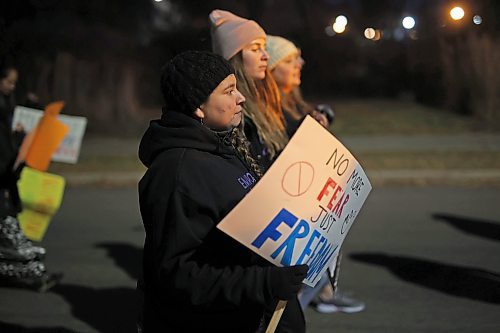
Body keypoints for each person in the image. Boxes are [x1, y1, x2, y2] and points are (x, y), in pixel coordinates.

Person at [137, 50, 308, 332]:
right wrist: (263, 283)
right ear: (198, 107)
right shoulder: (176, 173)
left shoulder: (223, 144)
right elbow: (174, 275)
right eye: (229, 91)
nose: (240, 97)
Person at [266, 35, 365, 314]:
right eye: (289, 59)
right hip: (290, 192)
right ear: (271, 68)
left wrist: (318, 118)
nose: (300, 62)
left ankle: (323, 293)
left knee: (326, 243)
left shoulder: (292, 100)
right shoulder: (268, 106)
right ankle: (288, 311)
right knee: (301, 258)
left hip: (306, 188)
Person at [0, 60, 61, 292]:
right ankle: (35, 274)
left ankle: (33, 273)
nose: (12, 86)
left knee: (10, 238)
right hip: (3, 183)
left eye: (15, 82)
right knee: (12, 237)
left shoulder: (7, 107)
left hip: (7, 181)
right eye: (8, 81)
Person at [210, 9, 288, 172]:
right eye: (255, 49)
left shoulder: (262, 101)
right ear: (235, 57)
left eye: (264, 48)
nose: (265, 55)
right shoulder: (228, 113)